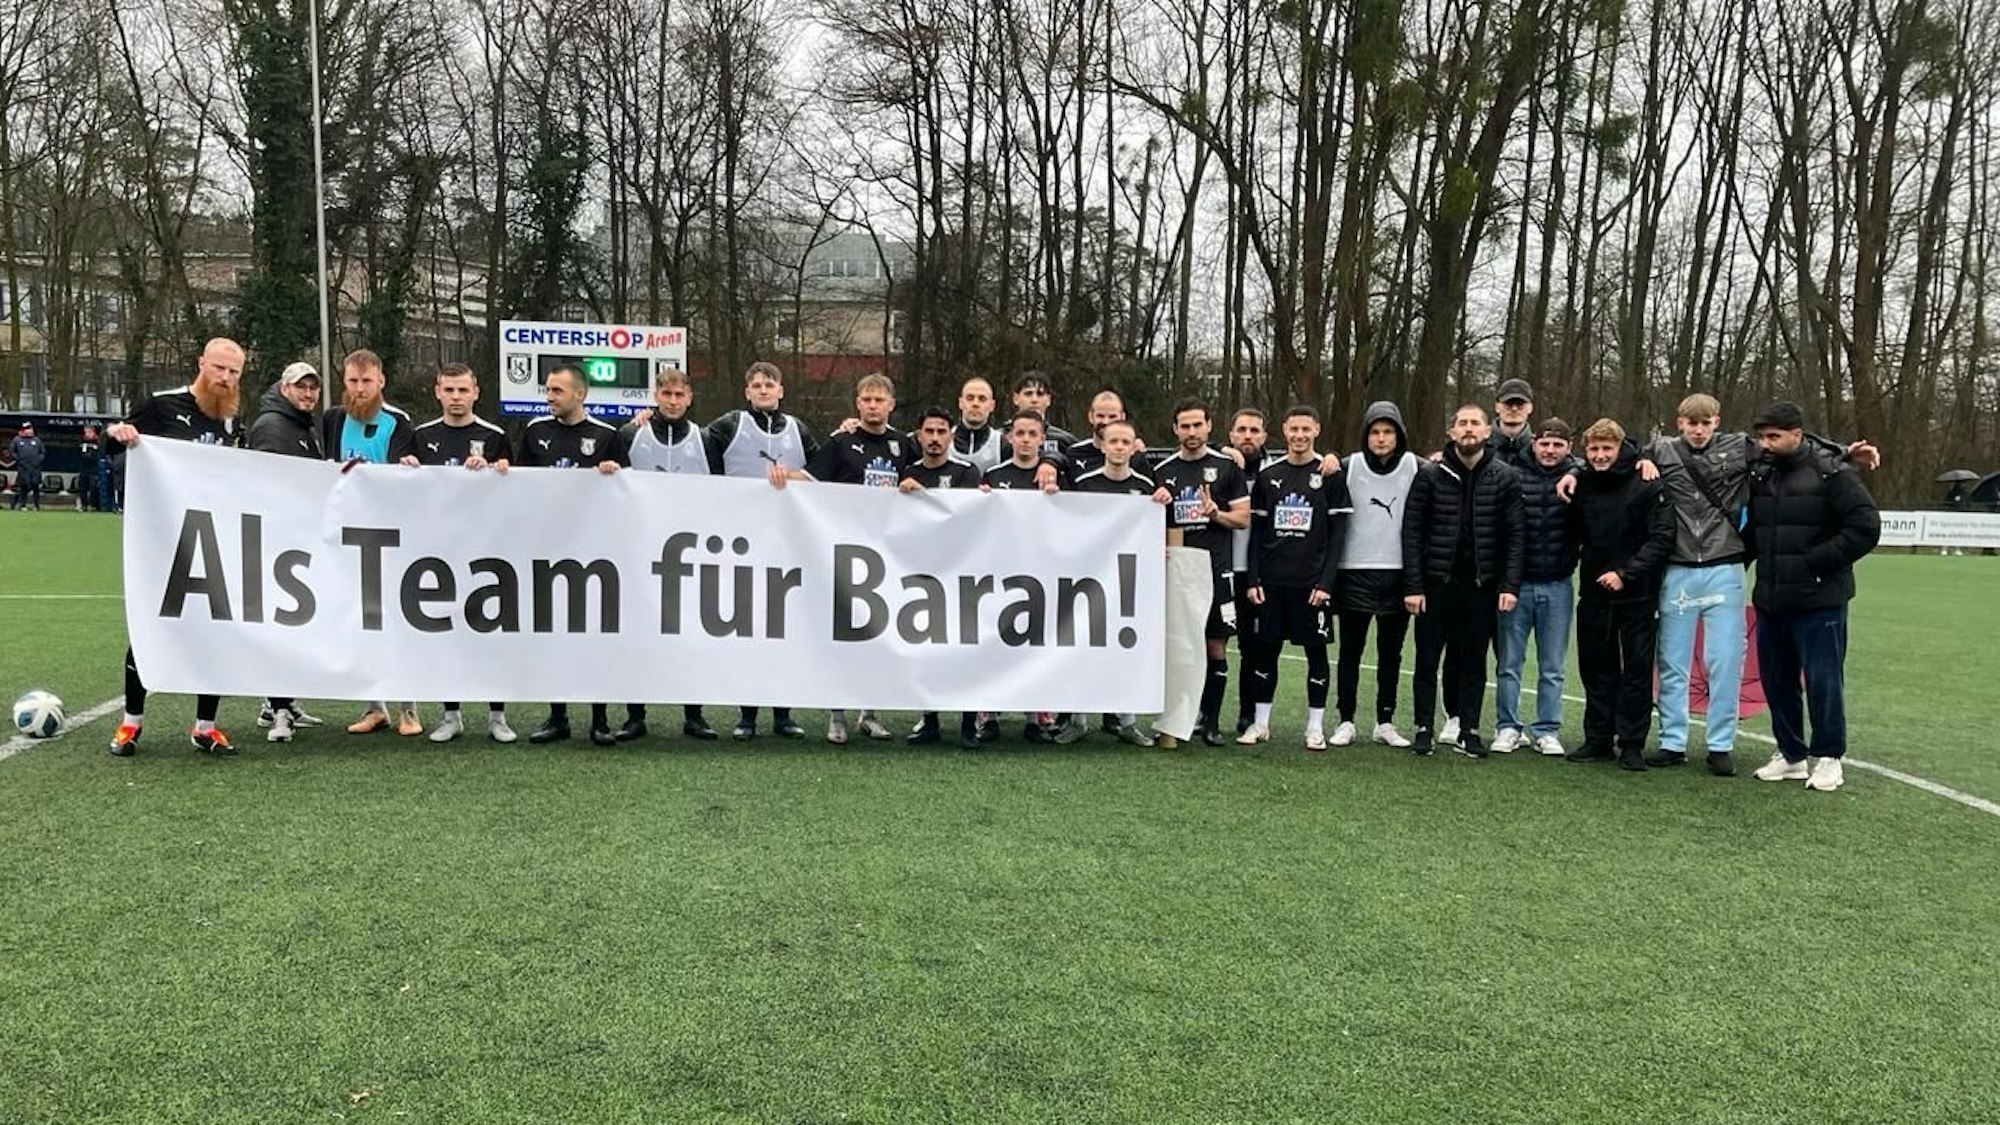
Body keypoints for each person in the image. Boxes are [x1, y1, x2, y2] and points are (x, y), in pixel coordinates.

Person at [1608, 393, 1879, 777]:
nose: (1698, 430)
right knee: (1672, 663)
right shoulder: (1661, 450)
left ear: (1717, 421)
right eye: (1691, 422)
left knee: (1725, 661)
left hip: (1726, 568)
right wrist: (1626, 462)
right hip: (1679, 569)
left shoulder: (1744, 449)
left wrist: (1846, 452)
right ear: (1678, 422)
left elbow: (1793, 442)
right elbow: (1615, 455)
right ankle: (1673, 742)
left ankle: (1721, 744)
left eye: (1705, 422)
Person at [103, 337, 247, 757]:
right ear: (201, 363)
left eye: (234, 372)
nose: (224, 378)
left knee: (215, 629)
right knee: (151, 626)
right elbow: (110, 443)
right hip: (162, 540)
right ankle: (131, 723)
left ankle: (205, 727)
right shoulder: (161, 405)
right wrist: (118, 432)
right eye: (218, 368)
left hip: (213, 541)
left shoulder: (230, 420)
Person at [1744, 401, 1881, 792]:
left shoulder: (1832, 473)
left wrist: (1815, 561)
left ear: (1797, 435)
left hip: (1821, 599)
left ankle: (1829, 757)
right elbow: (1755, 531)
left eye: (1774, 436)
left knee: (1824, 681)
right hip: (1771, 599)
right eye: (1762, 437)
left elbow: (1865, 527)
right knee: (1777, 680)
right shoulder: (1761, 474)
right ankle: (1790, 755)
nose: (1765, 444)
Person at [777, 372, 910, 744]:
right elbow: (808, 479)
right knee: (841, 634)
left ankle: (869, 712)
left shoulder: (904, 444)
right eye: (866, 399)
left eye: (879, 400)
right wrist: (780, 477)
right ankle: (836, 713)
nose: (872, 406)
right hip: (842, 552)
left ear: (891, 404)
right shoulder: (841, 442)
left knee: (879, 635)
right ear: (857, 403)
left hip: (888, 556)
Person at [597, 366, 720, 741]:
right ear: (656, 395)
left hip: (690, 550)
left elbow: (724, 492)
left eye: (679, 395)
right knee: (639, 631)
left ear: (689, 398)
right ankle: (636, 715)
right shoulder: (630, 433)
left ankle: (694, 714)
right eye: (666, 394)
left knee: (690, 633)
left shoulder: (705, 438)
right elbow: (612, 481)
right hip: (639, 549)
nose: (672, 401)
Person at [704, 361, 818, 740]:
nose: (764, 390)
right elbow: (690, 446)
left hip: (787, 544)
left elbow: (826, 470)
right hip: (740, 543)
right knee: (747, 630)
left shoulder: (799, 430)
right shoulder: (729, 425)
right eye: (757, 385)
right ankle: (747, 714)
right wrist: (640, 423)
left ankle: (783, 713)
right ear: (747, 392)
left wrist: (843, 433)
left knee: (784, 630)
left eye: (770, 384)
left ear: (781, 390)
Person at [1402, 404, 1524, 757]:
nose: (1468, 429)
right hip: (1435, 583)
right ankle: (1424, 727)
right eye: (1461, 423)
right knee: (1427, 659)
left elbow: (1515, 536)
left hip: (1481, 587)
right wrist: (1413, 585)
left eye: (1475, 423)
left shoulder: (1505, 477)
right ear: (1452, 432)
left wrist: (1510, 585)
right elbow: (1412, 531)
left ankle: (1469, 729)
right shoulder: (1429, 474)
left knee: (1474, 660)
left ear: (1489, 432)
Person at [516, 364, 628, 746]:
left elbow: (630, 494)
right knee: (553, 634)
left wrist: (615, 473)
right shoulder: (535, 431)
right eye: (548, 390)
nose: (550, 397)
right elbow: (518, 484)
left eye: (557, 391)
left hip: (595, 553)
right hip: (548, 549)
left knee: (594, 635)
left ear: (580, 394)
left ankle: (599, 719)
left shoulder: (608, 436)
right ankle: (557, 715)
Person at [412, 362, 521, 746]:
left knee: (491, 631)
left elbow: (515, 488)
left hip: (487, 549)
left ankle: (497, 715)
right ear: (437, 392)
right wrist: (405, 470)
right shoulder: (421, 436)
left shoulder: (494, 435)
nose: (456, 398)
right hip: (438, 551)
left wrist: (497, 470)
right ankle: (451, 714)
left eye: (463, 390)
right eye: (449, 390)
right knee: (446, 632)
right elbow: (406, 490)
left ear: (476, 392)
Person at [321, 349, 425, 738]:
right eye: (352, 381)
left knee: (398, 621)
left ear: (381, 382)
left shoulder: (398, 423)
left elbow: (397, 476)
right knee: (361, 623)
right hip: (348, 536)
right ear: (344, 381)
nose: (360, 389)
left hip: (390, 536)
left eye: (367, 381)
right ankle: (374, 706)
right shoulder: (332, 419)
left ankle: (409, 708)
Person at [1562, 420, 1675, 771]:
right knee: (1596, 668)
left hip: (1637, 595)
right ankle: (1598, 737)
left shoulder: (1646, 481)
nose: (1600, 455)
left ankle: (1631, 743)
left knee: (1636, 671)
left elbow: (1662, 537)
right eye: (1593, 449)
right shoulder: (1581, 483)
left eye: (1606, 449)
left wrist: (1626, 573)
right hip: (1594, 593)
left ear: (1620, 447)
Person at [1239, 406, 1352, 749]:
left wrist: (1326, 583)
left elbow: (1338, 536)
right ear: (1283, 432)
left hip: (1311, 586)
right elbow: (1255, 535)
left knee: (1316, 655)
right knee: (1265, 653)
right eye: (1294, 429)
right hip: (1272, 584)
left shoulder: (1330, 475)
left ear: (1316, 429)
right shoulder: (1269, 476)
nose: (1300, 435)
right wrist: (1253, 579)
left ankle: (1314, 727)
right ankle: (1260, 724)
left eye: (1306, 429)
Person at [1150, 398, 1251, 745]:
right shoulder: (1162, 471)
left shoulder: (1227, 468)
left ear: (1209, 426)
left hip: (1216, 569)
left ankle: (1210, 721)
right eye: (1185, 426)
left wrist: (1215, 514)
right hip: (1176, 571)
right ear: (1175, 429)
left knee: (1214, 646)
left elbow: (1242, 519)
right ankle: (1179, 717)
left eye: (1197, 425)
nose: (1191, 432)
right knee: (1178, 647)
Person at [247, 360, 330, 742]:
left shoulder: (302, 426)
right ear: (285, 389)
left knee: (297, 627)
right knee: (280, 626)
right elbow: (270, 485)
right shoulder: (272, 426)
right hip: (277, 542)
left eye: (313, 388)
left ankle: (282, 702)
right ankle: (277, 709)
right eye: (302, 387)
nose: (309, 393)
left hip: (297, 540)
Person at [1067, 418, 1163, 747]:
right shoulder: (1084, 484)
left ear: (1135, 447)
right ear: (1103, 446)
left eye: (1126, 442)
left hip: (1129, 583)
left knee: (1127, 650)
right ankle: (1078, 721)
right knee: (1082, 648)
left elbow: (1156, 532)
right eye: (1114, 442)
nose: (1119, 448)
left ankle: (1127, 722)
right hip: (1089, 581)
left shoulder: (1146, 487)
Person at [1330, 402, 1420, 749]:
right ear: (1366, 435)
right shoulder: (1348, 467)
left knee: (1391, 653)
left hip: (1399, 574)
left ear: (1399, 435)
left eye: (1388, 432)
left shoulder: (1417, 467)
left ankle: (1385, 721)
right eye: (1375, 432)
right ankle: (1346, 720)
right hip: (1354, 571)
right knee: (1351, 651)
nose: (1381, 439)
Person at [900, 408, 987, 748]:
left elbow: (965, 516)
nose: (935, 438)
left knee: (964, 649)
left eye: (941, 431)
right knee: (925, 648)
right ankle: (930, 720)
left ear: (951, 435)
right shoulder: (907, 472)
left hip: (963, 574)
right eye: (929, 432)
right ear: (919, 436)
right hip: (922, 575)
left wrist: (923, 495)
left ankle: (968, 724)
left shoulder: (967, 472)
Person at [1492, 417, 1577, 756]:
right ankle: (1508, 727)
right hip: (1517, 584)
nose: (1550, 450)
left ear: (1568, 448)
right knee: (1509, 662)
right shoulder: (1513, 474)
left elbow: (1623, 454)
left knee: (1553, 666)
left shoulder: (1578, 476)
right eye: (1545, 443)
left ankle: (1547, 729)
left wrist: (1578, 471)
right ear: (1534, 444)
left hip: (1558, 583)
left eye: (1558, 444)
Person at [983, 410, 1066, 742]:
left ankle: (1035, 715)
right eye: (1021, 433)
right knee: (995, 639)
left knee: (1036, 642)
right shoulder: (993, 474)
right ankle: (987, 713)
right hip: (1000, 571)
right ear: (1010, 438)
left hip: (1042, 571)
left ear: (1042, 439)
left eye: (1033, 434)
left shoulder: (1054, 478)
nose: (1027, 440)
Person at [1225, 408, 1277, 736]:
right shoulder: (1216, 466)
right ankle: (1203, 712)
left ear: (1264, 436)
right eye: (1241, 429)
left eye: (1254, 430)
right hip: (1218, 568)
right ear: (1230, 435)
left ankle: (1248, 714)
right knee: (1208, 644)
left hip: (1256, 574)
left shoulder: (1276, 472)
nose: (1247, 435)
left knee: (1252, 648)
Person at [951, 376, 1006, 471]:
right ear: (960, 403)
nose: (975, 404)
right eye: (970, 398)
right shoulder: (943, 438)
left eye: (982, 399)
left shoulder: (1002, 444)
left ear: (992, 405)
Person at [8, 422, 44, 509]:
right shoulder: (17, 440)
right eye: (27, 429)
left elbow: (42, 452)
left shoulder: (37, 440)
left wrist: (38, 461)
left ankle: (36, 505)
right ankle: (22, 505)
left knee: (35, 487)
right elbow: (12, 451)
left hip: (35, 468)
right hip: (23, 468)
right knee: (24, 487)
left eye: (30, 428)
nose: (29, 430)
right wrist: (19, 460)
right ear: (23, 430)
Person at [78, 426, 104, 511]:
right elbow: (78, 454)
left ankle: (93, 505)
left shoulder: (98, 441)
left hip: (94, 469)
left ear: (93, 432)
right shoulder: (81, 441)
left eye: (89, 432)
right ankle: (84, 505)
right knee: (83, 488)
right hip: (83, 469)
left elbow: (99, 454)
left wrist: (92, 456)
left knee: (93, 488)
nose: (87, 434)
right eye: (86, 432)